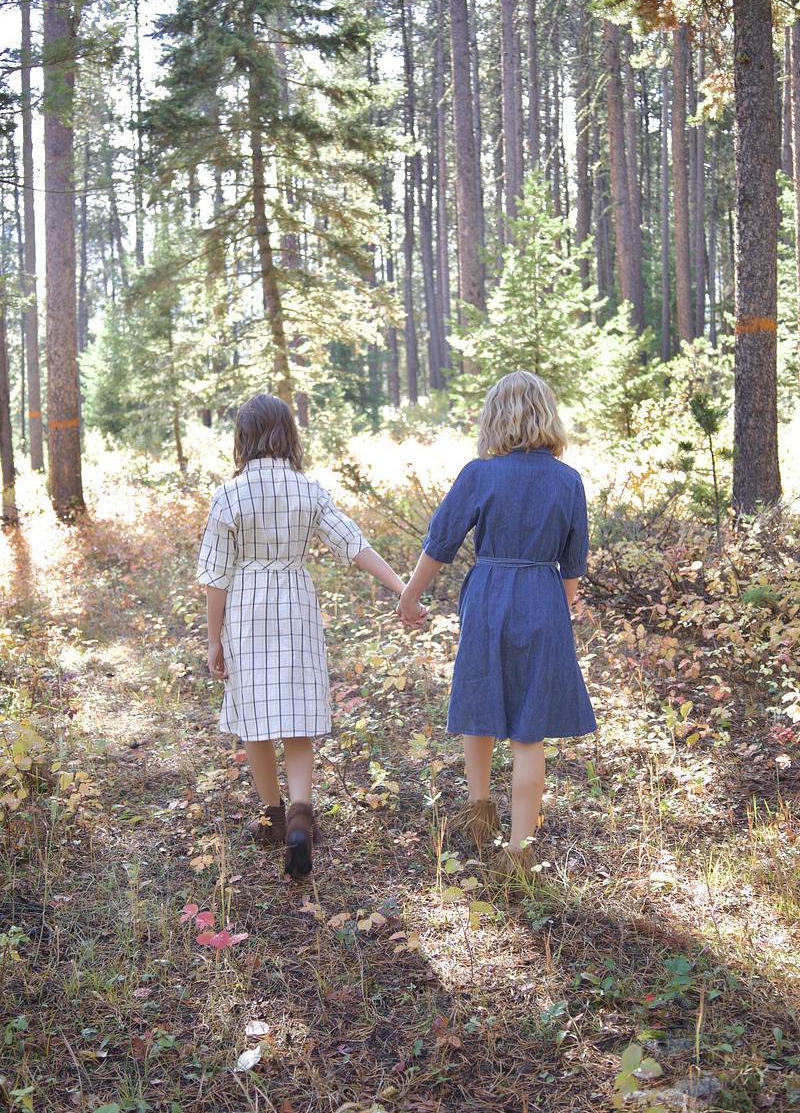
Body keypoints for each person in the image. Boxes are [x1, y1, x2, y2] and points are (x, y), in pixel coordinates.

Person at [197, 393, 411, 879]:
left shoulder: (229, 495)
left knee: (254, 718)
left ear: (243, 438)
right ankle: (300, 814)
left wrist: (214, 639)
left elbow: (215, 576)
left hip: (246, 607)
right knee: (295, 715)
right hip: (295, 602)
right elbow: (352, 543)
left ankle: (272, 817)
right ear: (288, 435)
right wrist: (403, 589)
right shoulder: (308, 489)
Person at [397, 371, 596, 875]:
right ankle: (519, 850)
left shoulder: (479, 474)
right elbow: (574, 564)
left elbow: (440, 542)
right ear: (547, 415)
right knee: (530, 730)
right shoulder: (568, 480)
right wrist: (555, 607)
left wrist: (410, 595)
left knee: (480, 698)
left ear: (495, 418)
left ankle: (479, 809)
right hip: (543, 595)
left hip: (488, 595)